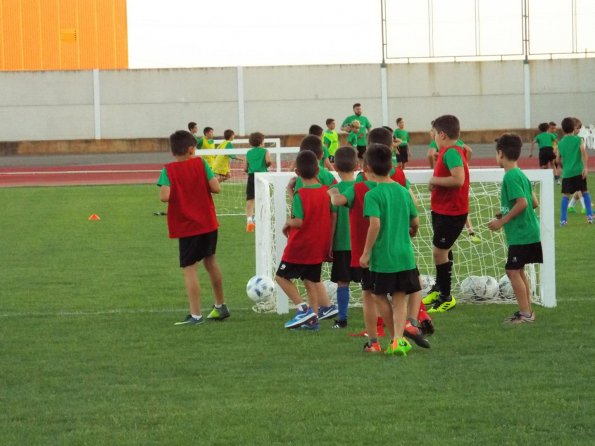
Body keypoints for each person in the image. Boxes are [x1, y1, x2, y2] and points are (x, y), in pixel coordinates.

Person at [156, 130, 230, 325]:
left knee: (189, 268)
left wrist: (181, 192)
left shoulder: (168, 170)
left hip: (187, 225)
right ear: (191, 149)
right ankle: (220, 305)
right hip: (208, 222)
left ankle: (196, 315)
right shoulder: (201, 164)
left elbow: (164, 196)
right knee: (211, 261)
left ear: (173, 152)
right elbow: (216, 188)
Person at [359, 143, 421, 356]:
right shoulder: (403, 191)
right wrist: (413, 230)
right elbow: (416, 220)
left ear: (367, 168)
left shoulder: (373, 195)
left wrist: (366, 252)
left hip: (384, 257)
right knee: (399, 297)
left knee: (377, 296)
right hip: (404, 255)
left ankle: (396, 336)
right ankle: (397, 340)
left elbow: (375, 225)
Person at [276, 150, 335, 330]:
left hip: (300, 245)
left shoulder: (300, 195)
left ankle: (302, 309)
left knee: (281, 277)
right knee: (310, 281)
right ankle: (313, 320)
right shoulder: (326, 192)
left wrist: (287, 222)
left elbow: (299, 221)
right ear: (318, 170)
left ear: (297, 172)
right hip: (318, 245)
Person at [488, 134, 542, 323]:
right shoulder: (520, 174)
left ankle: (525, 314)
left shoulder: (510, 177)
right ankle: (527, 311)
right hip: (528, 231)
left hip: (522, 233)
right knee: (518, 271)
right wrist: (505, 213)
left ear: (500, 153)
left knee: (512, 271)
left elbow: (524, 203)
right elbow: (534, 201)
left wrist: (501, 222)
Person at [422, 115, 469, 313]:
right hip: (443, 208)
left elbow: (458, 179)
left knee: (439, 251)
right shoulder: (451, 149)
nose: (432, 137)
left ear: (441, 134)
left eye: (434, 134)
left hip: (452, 210)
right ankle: (439, 287)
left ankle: (446, 297)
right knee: (443, 249)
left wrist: (435, 180)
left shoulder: (451, 152)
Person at [327, 146, 358, 329]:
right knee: (370, 284)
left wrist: (330, 243)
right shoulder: (362, 188)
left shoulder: (334, 190)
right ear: (357, 165)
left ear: (335, 167)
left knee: (342, 282)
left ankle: (343, 318)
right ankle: (379, 317)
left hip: (341, 244)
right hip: (362, 244)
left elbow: (333, 218)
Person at [557, 117, 593, 225]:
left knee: (565, 196)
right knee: (585, 192)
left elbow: (557, 159)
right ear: (574, 128)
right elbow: (584, 153)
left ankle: (563, 220)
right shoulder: (578, 140)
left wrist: (564, 167)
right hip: (579, 172)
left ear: (563, 129)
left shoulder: (560, 143)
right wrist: (586, 167)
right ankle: (590, 217)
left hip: (567, 173)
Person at [245, 132, 272, 232]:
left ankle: (249, 220)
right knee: (263, 197)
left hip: (252, 177)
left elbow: (245, 168)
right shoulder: (265, 151)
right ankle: (257, 219)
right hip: (263, 177)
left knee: (250, 198)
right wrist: (266, 165)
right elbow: (268, 161)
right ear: (261, 142)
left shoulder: (248, 153)